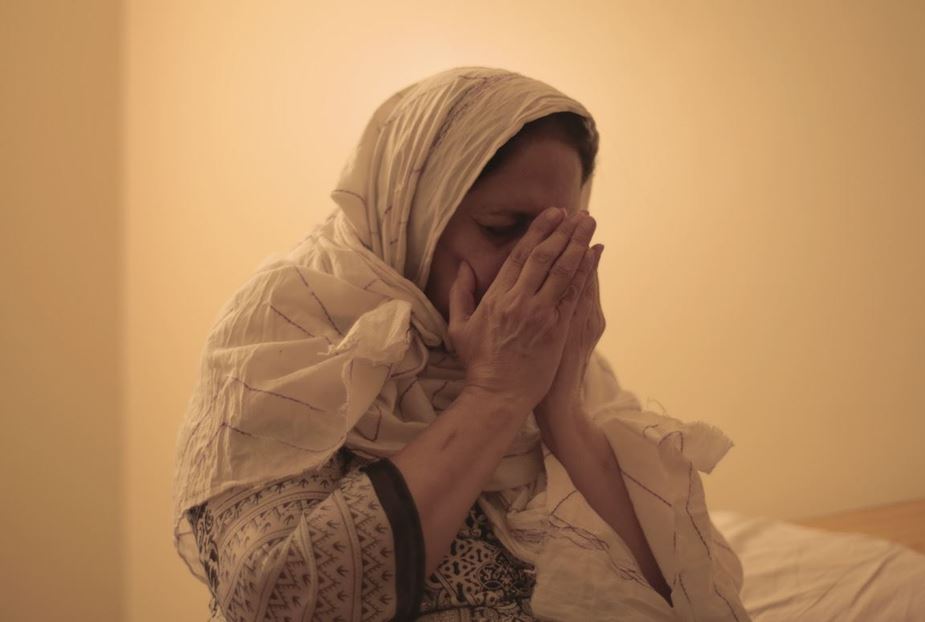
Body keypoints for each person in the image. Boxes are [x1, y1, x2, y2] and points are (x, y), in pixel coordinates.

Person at [172, 66, 749, 621]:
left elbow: (693, 599)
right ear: (414, 213)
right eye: (501, 228)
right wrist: (496, 395)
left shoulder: (557, 353)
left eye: (559, 235)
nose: (533, 266)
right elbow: (277, 600)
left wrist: (561, 410)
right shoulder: (291, 321)